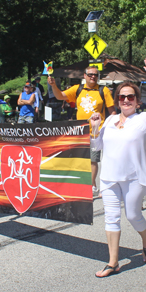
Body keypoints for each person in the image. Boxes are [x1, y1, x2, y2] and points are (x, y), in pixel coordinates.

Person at [89, 58, 146, 278]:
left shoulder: (143, 119)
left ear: (137, 101)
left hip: (133, 178)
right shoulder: (109, 120)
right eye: (122, 97)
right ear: (117, 101)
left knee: (134, 215)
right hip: (109, 178)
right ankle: (113, 262)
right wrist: (95, 129)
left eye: (130, 97)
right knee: (111, 218)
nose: (126, 100)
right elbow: (96, 146)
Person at [47, 66, 116, 196]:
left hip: (96, 131)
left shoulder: (103, 90)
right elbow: (60, 96)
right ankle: (79, 183)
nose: (93, 77)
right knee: (79, 159)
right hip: (80, 131)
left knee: (93, 159)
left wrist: (114, 126)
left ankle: (92, 185)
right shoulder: (78, 89)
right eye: (90, 74)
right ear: (84, 76)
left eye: (95, 75)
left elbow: (112, 111)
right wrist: (53, 86)